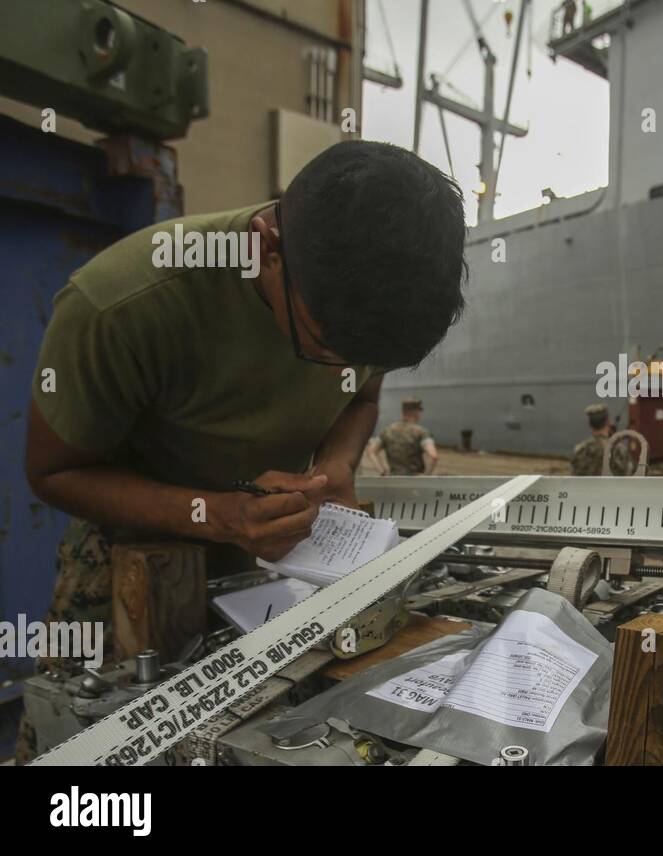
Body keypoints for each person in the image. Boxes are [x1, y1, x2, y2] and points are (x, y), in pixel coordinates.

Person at [18, 140, 468, 763]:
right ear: (264, 247)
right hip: (130, 555)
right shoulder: (120, 306)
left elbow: (359, 401)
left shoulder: (355, 299)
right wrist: (217, 514)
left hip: (276, 557)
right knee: (87, 746)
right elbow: (53, 471)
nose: (345, 369)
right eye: (325, 352)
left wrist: (335, 469)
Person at [366, 397, 438, 475]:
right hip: (415, 480)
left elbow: (371, 451)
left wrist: (382, 471)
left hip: (394, 479)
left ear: (404, 412)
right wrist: (426, 476)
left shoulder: (387, 431)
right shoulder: (421, 432)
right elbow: (433, 456)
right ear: (416, 412)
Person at [571, 403, 631, 475]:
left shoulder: (580, 450)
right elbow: (627, 476)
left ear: (590, 424)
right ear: (607, 422)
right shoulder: (619, 450)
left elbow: (574, 478)